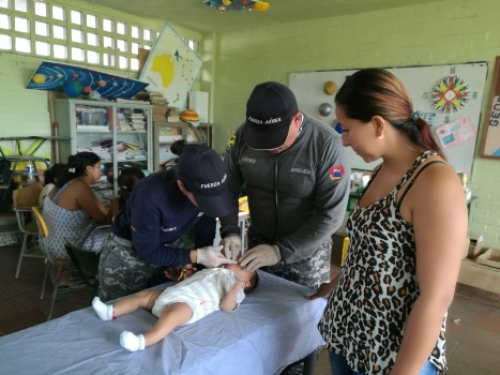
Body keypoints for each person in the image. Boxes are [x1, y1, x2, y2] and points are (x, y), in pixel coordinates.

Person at [317, 69, 468, 375]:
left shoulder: (434, 180)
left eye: (346, 129)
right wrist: (338, 284)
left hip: (393, 351)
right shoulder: (382, 171)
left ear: (377, 124)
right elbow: (377, 252)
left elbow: (437, 296)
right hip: (349, 335)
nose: (344, 141)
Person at [221, 81, 350, 288]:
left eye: (276, 140)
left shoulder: (326, 145)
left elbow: (330, 214)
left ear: (297, 119)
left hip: (306, 253)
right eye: (261, 141)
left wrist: (280, 251)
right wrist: (230, 230)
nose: (269, 148)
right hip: (257, 245)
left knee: (301, 313)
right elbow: (227, 189)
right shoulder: (240, 137)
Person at [98, 143, 237, 302]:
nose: (209, 204)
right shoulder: (150, 196)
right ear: (182, 186)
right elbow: (147, 251)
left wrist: (203, 264)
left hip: (170, 248)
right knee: (120, 309)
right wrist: (198, 256)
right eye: (203, 200)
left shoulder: (209, 184)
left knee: (163, 305)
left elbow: (206, 224)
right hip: (129, 256)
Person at [92, 263, 258, 351]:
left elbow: (227, 307)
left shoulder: (237, 286)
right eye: (240, 258)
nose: (238, 261)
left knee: (170, 317)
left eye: (243, 266)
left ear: (246, 282)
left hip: (190, 305)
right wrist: (183, 277)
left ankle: (141, 341)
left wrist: (232, 292)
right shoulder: (216, 270)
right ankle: (110, 311)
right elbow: (194, 281)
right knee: (143, 296)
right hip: (173, 293)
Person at [43, 152, 111, 260]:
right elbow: (103, 219)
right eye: (98, 167)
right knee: (119, 238)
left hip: (52, 243)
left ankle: (73, 273)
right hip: (70, 247)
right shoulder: (80, 186)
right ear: (89, 168)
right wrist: (115, 204)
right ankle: (105, 274)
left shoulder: (66, 183)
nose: (101, 172)